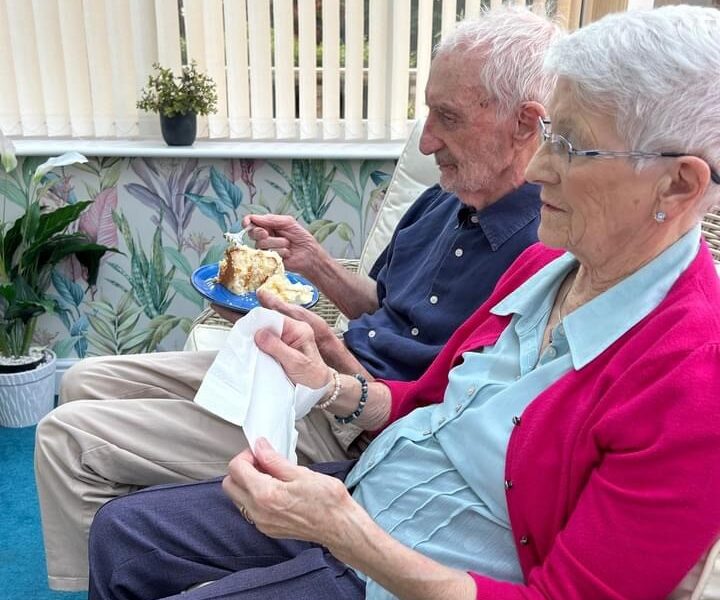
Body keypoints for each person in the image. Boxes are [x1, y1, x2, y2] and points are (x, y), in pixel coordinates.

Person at [86, 5, 720, 599]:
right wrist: (328, 383)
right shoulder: (543, 268)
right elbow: (423, 400)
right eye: (549, 134)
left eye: (571, 147)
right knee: (121, 539)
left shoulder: (694, 384)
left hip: (401, 568)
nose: (535, 170)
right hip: (365, 492)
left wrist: (345, 532)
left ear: (679, 183)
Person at [34, 9, 562, 592]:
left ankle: (99, 576)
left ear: (525, 123)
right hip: (310, 369)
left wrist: (331, 362)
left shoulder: (544, 259)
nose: (428, 137)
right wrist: (313, 261)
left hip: (347, 416)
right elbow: (380, 303)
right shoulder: (448, 195)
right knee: (82, 380)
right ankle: (148, 538)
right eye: (428, 112)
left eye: (448, 117)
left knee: (67, 439)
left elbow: (445, 413)